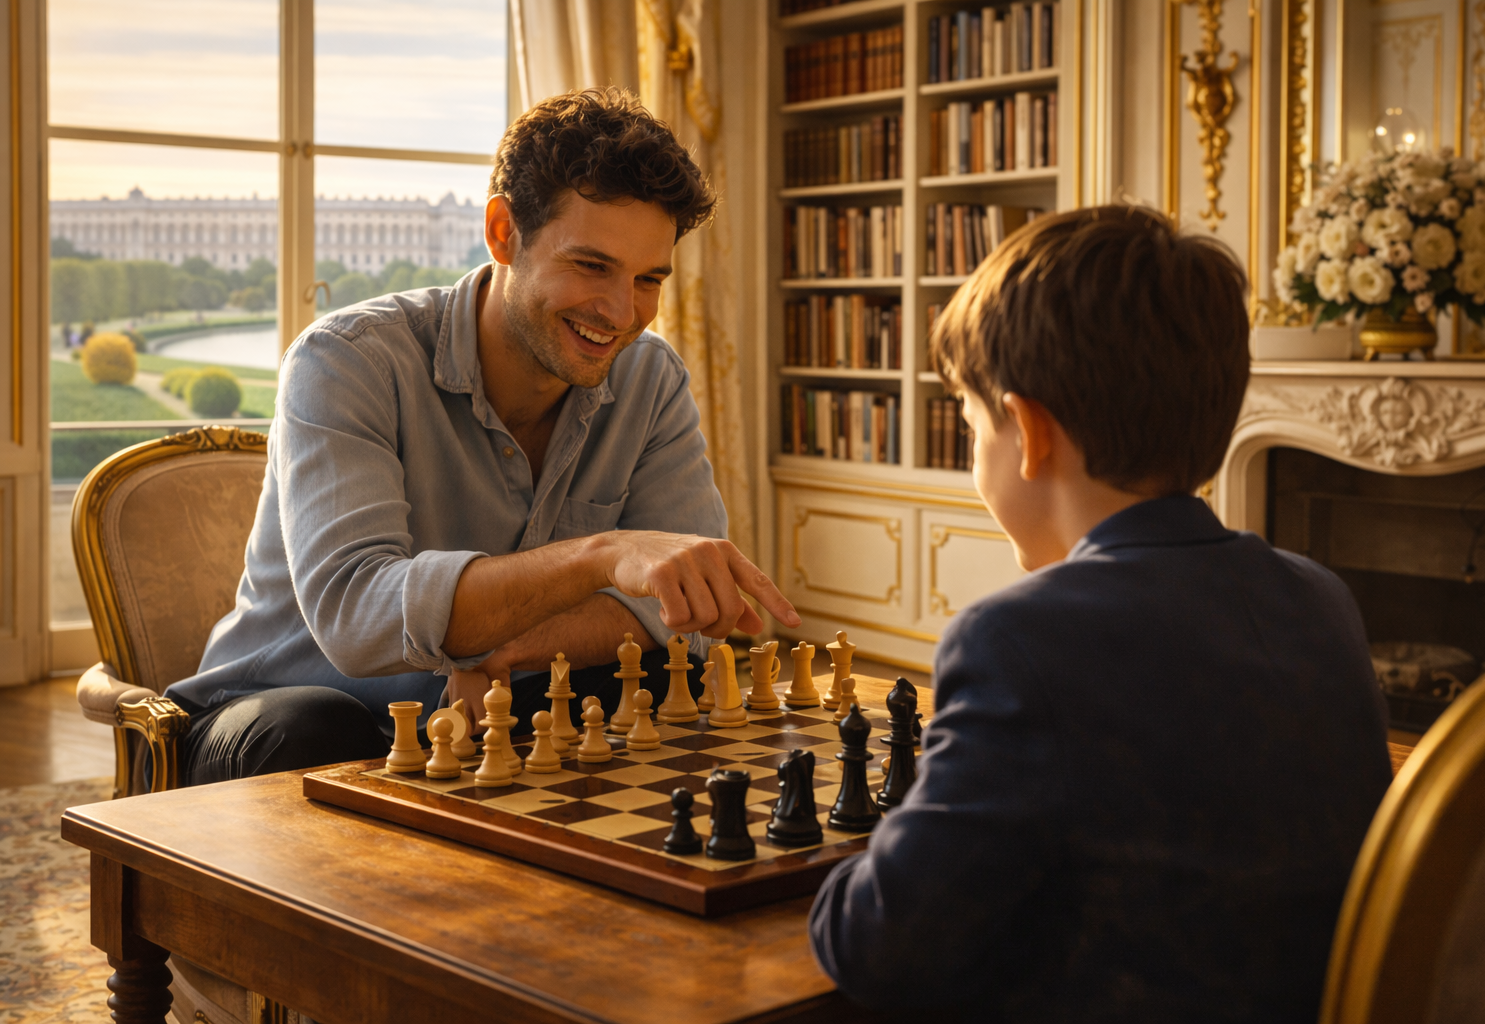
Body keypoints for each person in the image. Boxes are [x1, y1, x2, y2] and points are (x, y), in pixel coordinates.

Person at [808, 206, 1392, 1021]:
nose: (975, 456)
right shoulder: (1320, 596)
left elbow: (877, 946)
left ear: (1029, 431)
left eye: (973, 426)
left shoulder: (1020, 639)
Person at [166, 88, 798, 785]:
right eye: (591, 266)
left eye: (649, 279)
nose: (623, 314)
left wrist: (498, 650)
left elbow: (675, 607)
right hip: (268, 718)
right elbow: (358, 617)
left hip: (491, 703)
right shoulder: (345, 360)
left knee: (654, 685)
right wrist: (602, 557)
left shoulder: (651, 380)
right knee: (316, 727)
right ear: (503, 233)